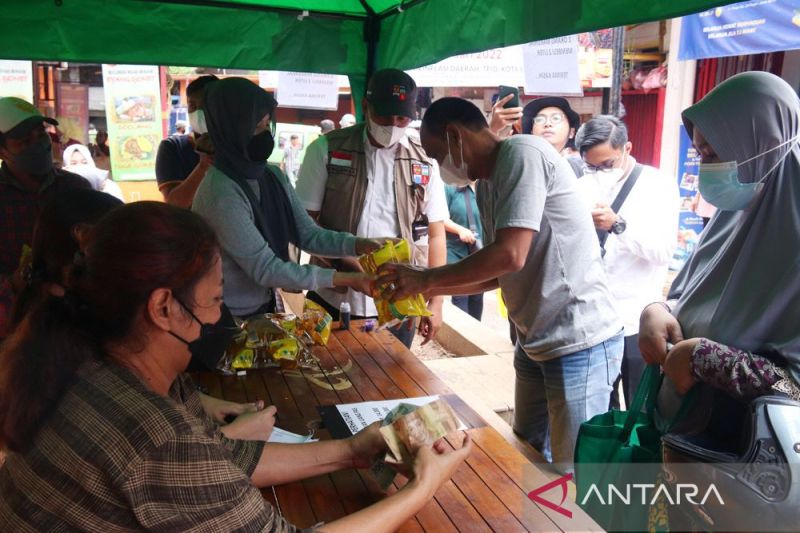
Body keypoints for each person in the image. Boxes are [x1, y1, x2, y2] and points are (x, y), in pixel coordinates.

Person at [0, 201, 472, 531]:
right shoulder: (153, 434)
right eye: (215, 299)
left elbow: (222, 461)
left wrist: (353, 449)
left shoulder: (97, 362)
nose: (217, 317)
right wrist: (422, 487)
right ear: (164, 308)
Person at [378, 97, 623, 467]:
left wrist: (427, 278)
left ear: (454, 135)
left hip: (578, 340)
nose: (435, 163)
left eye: (434, 152)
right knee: (526, 451)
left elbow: (510, 254)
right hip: (535, 339)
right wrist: (427, 289)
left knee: (571, 471)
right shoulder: (488, 182)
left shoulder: (522, 153)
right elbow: (496, 272)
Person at [639, 72, 800, 406]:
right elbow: (693, 295)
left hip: (745, 452)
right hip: (683, 435)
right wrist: (660, 309)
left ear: (765, 147)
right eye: (701, 155)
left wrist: (710, 362)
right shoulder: (732, 215)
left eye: (713, 155)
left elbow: (794, 389)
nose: (705, 170)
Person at [192, 77, 383, 318]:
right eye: (256, 127)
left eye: (267, 124)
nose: (265, 134)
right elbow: (266, 269)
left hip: (263, 305)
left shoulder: (270, 175)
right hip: (224, 318)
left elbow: (308, 234)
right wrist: (348, 279)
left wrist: (362, 245)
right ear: (230, 129)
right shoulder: (219, 191)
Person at [296, 69, 449, 348]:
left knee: (393, 384)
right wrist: (353, 271)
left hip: (400, 303)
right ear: (366, 107)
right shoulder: (327, 150)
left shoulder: (425, 160)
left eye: (401, 118)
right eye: (384, 115)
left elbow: (436, 233)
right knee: (323, 381)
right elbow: (305, 225)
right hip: (333, 295)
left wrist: (436, 301)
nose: (392, 124)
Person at [574, 116, 679, 409]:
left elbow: (662, 252)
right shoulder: (582, 186)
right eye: (591, 166)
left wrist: (618, 225)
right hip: (593, 321)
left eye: (607, 164)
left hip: (636, 320)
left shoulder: (658, 185)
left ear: (627, 148)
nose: (599, 172)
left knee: (641, 407)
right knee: (601, 409)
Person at [0, 97, 90, 339]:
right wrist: (20, 281)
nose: (38, 145)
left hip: (75, 327)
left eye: (40, 134)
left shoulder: (77, 187)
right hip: (14, 331)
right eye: (24, 141)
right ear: (2, 150)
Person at [155, 75, 219, 208]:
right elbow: (174, 204)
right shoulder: (173, 147)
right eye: (192, 106)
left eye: (206, 105)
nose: (199, 112)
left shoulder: (236, 146)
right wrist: (203, 165)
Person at [443, 182, 484, 320]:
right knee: (461, 297)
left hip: (481, 256)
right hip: (457, 254)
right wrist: (460, 230)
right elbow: (439, 219)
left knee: (477, 299)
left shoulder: (486, 188)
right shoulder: (451, 188)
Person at [523, 96, 584, 177]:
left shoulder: (580, 168)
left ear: (571, 132)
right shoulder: (521, 166)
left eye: (556, 118)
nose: (547, 124)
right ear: (531, 132)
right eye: (539, 120)